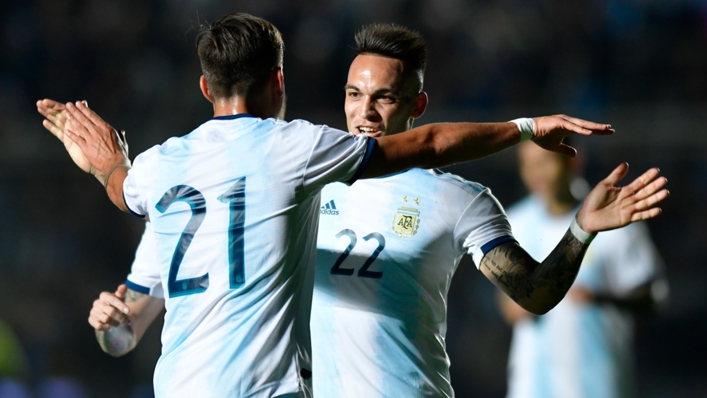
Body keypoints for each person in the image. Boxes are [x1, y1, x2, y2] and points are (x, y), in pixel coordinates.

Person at [60, 23, 669, 397]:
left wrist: (582, 231)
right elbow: (188, 271)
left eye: (384, 97)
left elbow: (533, 293)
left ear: (417, 102)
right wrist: (125, 312)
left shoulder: (458, 200)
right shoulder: (293, 173)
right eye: (354, 94)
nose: (366, 110)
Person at [498, 141, 668, 398]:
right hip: (532, 388)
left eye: (544, 162)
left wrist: (599, 298)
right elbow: (507, 307)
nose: (536, 173)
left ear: (573, 160)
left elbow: (654, 297)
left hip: (598, 386)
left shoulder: (614, 219)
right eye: (527, 165)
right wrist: (528, 301)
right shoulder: (514, 223)